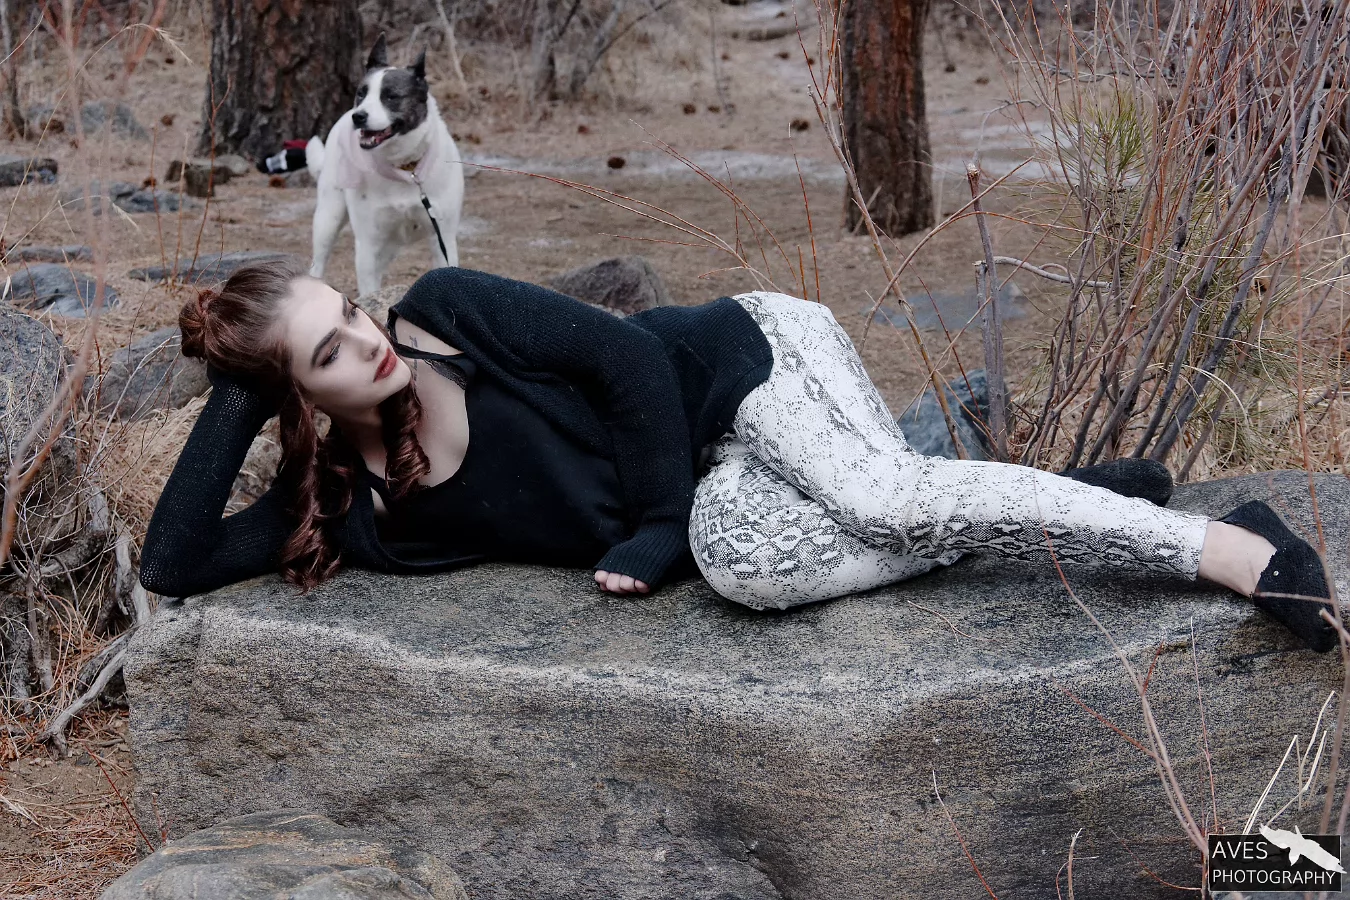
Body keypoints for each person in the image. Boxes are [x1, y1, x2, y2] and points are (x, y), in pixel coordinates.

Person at [138, 258, 1339, 652]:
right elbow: (176, 563)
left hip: (735, 367)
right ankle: (1058, 501)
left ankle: (1230, 546)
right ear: (296, 397)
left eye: (348, 312)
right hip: (722, 492)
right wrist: (242, 383)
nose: (366, 342)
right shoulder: (348, 508)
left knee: (875, 495)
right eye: (329, 353)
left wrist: (659, 526)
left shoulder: (446, 312)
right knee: (744, 569)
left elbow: (629, 361)